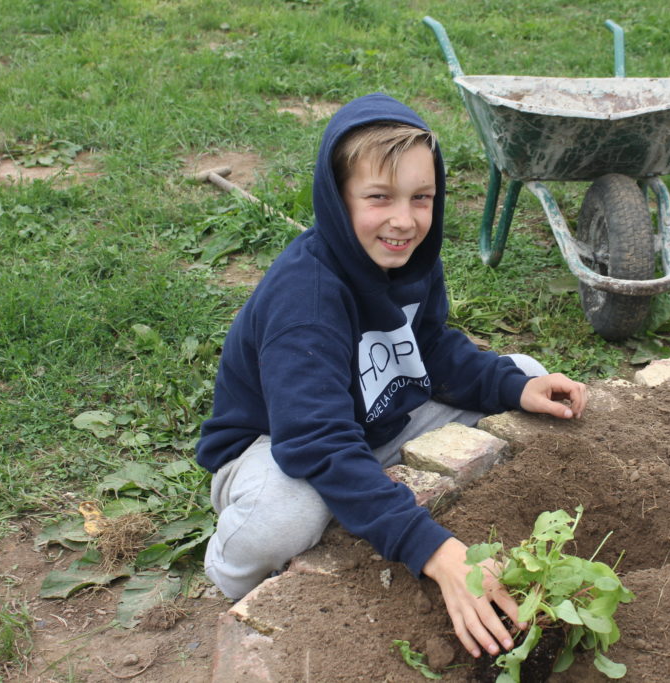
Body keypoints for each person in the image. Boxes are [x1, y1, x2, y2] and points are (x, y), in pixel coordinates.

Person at [195, 92, 588, 660]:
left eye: (421, 198)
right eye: (379, 197)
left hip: (378, 419)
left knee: (526, 374)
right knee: (286, 516)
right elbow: (316, 439)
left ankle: (363, 495)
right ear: (337, 198)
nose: (404, 220)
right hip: (279, 444)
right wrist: (433, 549)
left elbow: (430, 347)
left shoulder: (409, 258)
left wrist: (512, 386)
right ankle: (233, 573)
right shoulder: (305, 299)